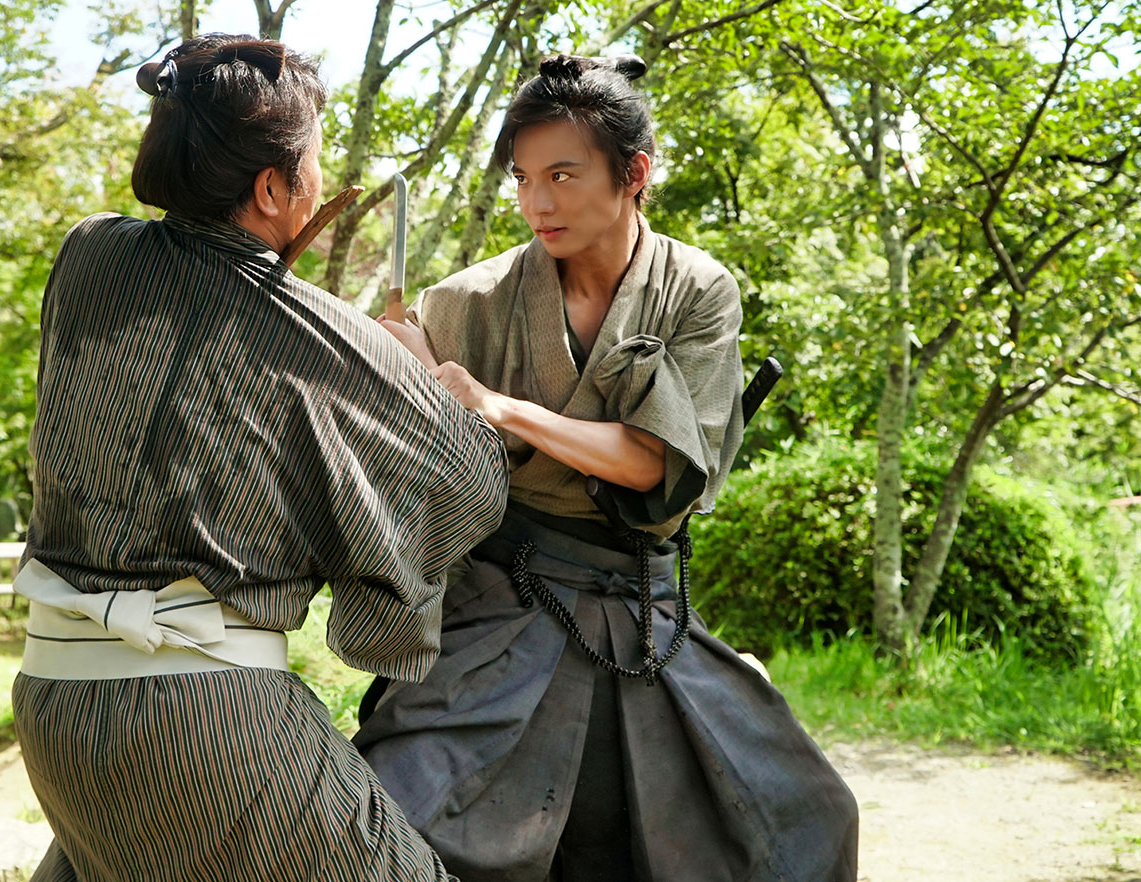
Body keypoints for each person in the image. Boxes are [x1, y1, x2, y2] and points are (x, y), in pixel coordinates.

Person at [12, 34, 508, 882]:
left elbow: (206, 353)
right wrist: (425, 375)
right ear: (274, 187)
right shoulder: (327, 335)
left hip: (51, 700)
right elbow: (469, 482)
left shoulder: (88, 253)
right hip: (202, 717)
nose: (319, 179)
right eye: (312, 162)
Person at [356, 54, 859, 882]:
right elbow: (411, 476)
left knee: (811, 820)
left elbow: (651, 463)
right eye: (523, 179)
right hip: (502, 599)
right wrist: (403, 378)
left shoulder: (697, 289)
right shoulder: (463, 303)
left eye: (563, 175)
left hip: (645, 605)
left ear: (635, 174)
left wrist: (494, 404)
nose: (537, 204)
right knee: (394, 826)